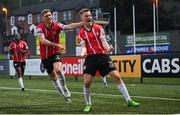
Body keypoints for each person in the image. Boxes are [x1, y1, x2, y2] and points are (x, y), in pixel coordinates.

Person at [78, 8, 140, 112]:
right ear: (82, 19)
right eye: (86, 16)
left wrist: (108, 48)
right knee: (87, 82)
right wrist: (82, 52)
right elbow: (83, 46)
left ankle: (129, 100)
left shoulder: (98, 28)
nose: (89, 17)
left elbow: (103, 41)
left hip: (102, 56)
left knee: (117, 76)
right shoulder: (81, 33)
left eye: (90, 15)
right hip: (91, 58)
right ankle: (88, 104)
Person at [36, 9, 82, 103]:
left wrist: (82, 23)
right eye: (46, 16)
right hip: (45, 56)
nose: (49, 17)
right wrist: (56, 44)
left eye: (50, 15)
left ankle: (65, 89)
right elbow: (43, 41)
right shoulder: (39, 28)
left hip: (55, 53)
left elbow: (69, 26)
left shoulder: (57, 25)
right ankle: (63, 95)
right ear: (42, 19)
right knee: (53, 77)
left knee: (58, 70)